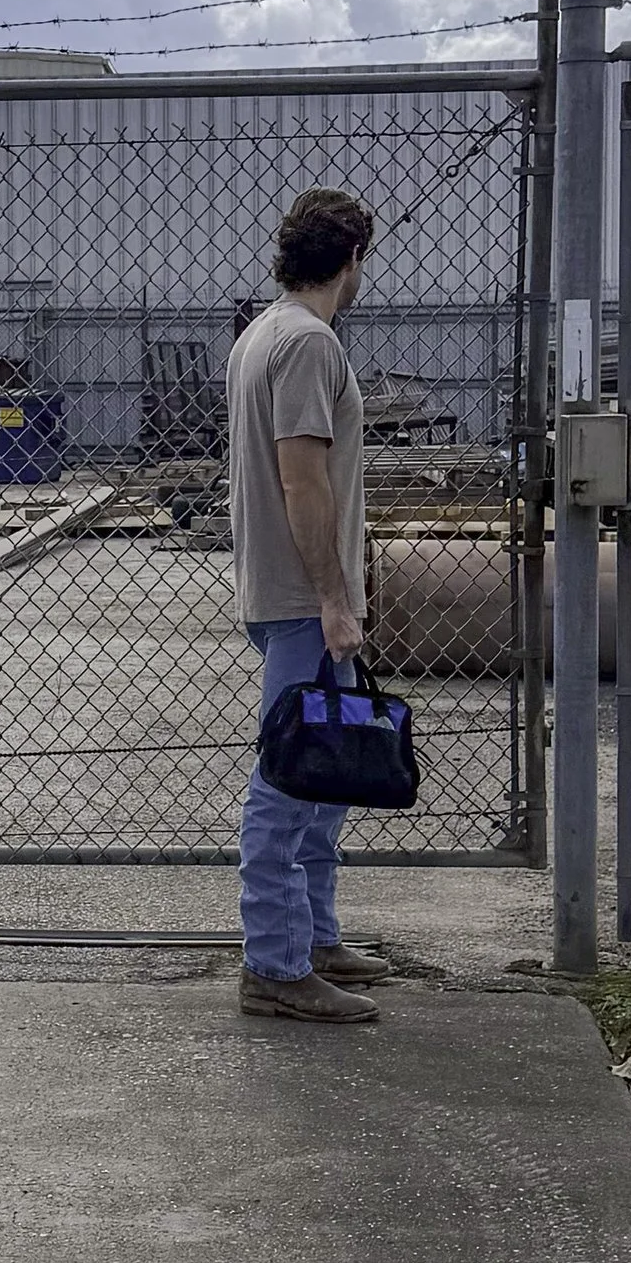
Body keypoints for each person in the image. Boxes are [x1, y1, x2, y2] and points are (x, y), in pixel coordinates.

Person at [225, 188, 393, 1023]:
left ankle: (316, 938)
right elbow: (302, 478)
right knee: (289, 781)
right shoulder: (307, 344)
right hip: (302, 599)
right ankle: (276, 964)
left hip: (289, 592)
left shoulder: (261, 333)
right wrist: (334, 598)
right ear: (353, 258)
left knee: (326, 772)